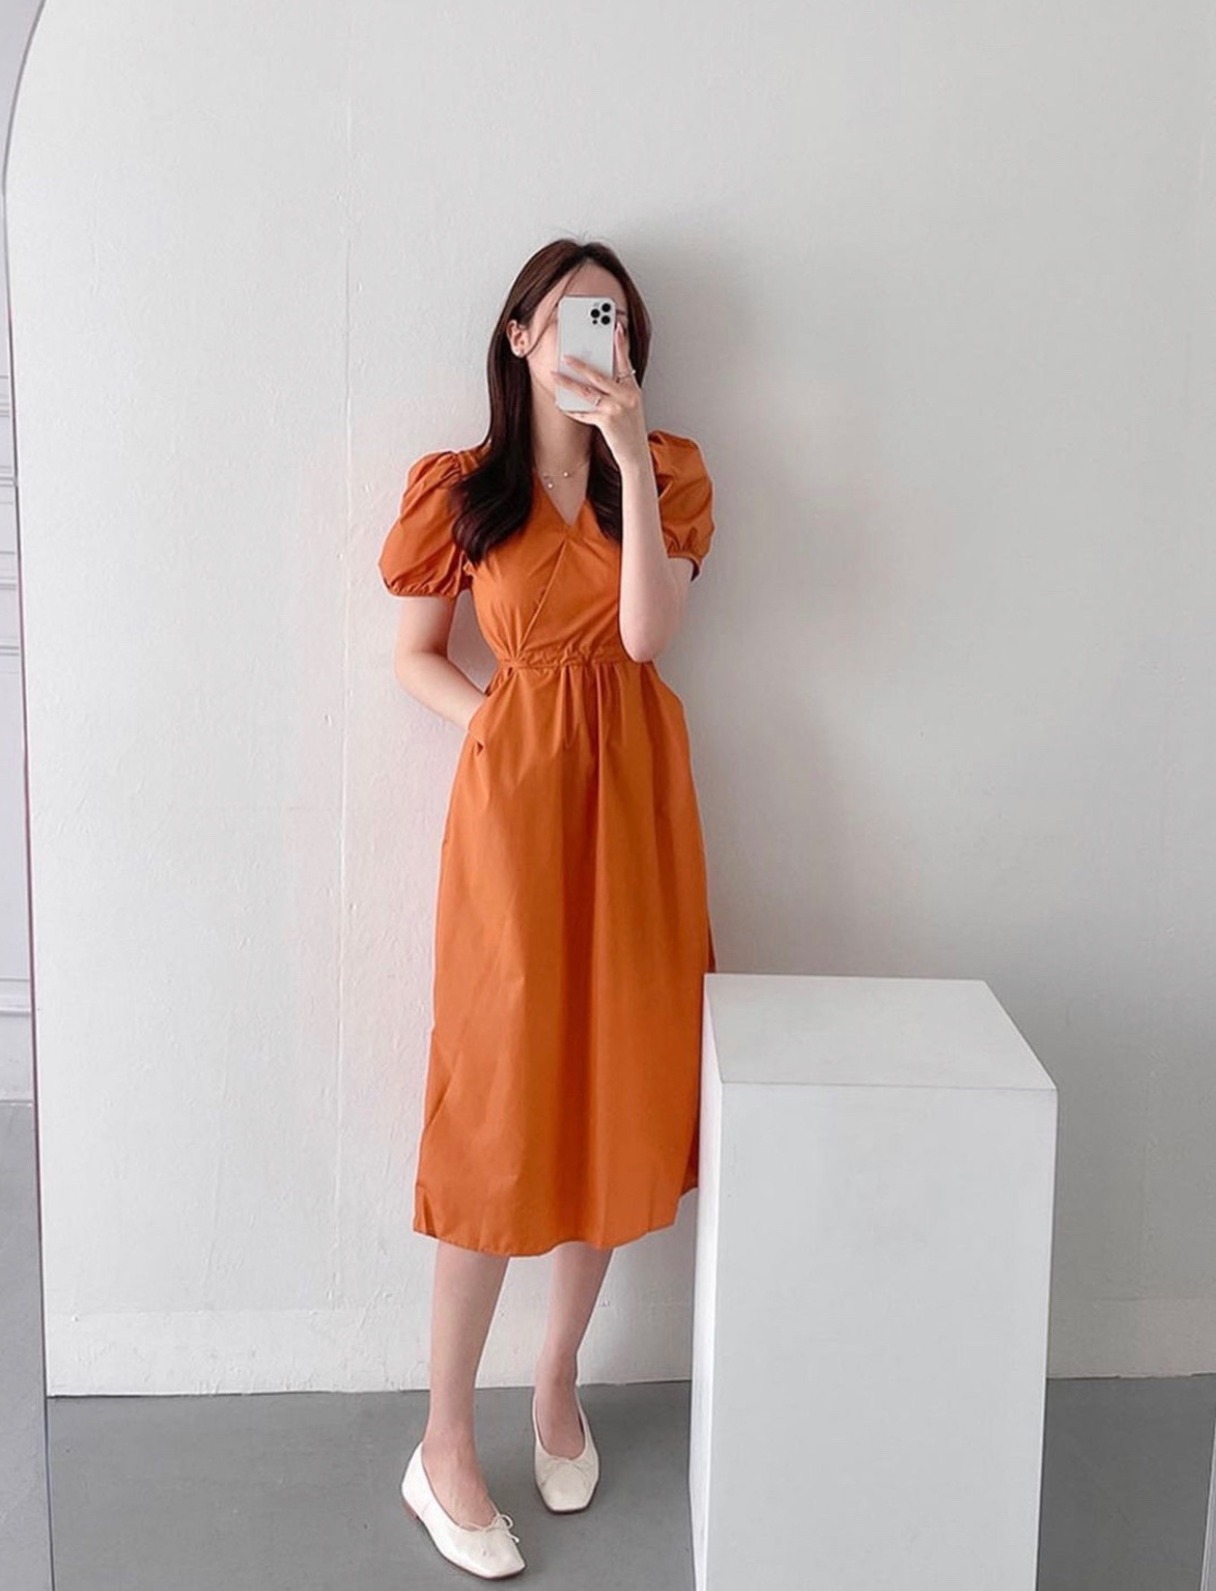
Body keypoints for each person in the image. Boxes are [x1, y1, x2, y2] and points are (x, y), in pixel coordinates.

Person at [379, 237, 716, 1578]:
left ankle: (558, 1376)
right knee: (499, 1110)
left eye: (615, 321)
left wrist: (625, 447)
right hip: (514, 820)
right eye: (575, 315)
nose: (595, 336)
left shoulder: (666, 474)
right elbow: (415, 654)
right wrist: (489, 726)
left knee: (613, 1095)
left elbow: (643, 640)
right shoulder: (463, 492)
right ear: (521, 334)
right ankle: (442, 1442)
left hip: (636, 815)